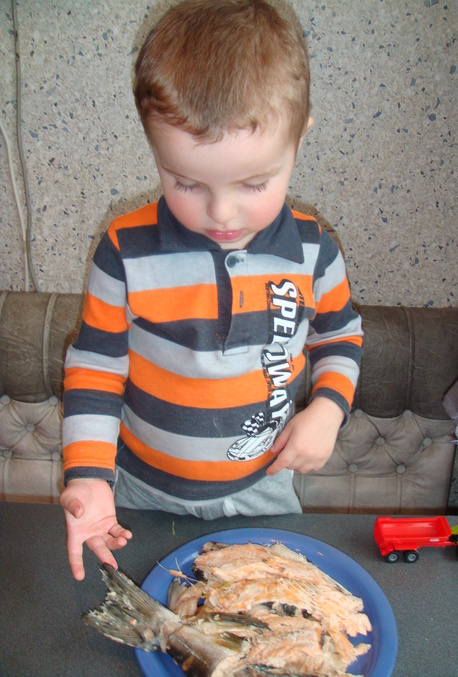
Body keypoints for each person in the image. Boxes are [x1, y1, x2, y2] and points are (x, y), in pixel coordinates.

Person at [60, 0, 363, 581]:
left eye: (254, 183)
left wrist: (329, 408)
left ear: (299, 139)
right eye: (186, 182)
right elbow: (96, 367)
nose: (222, 213)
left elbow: (339, 336)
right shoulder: (124, 250)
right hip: (140, 492)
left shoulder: (314, 251)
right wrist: (89, 475)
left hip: (262, 489)